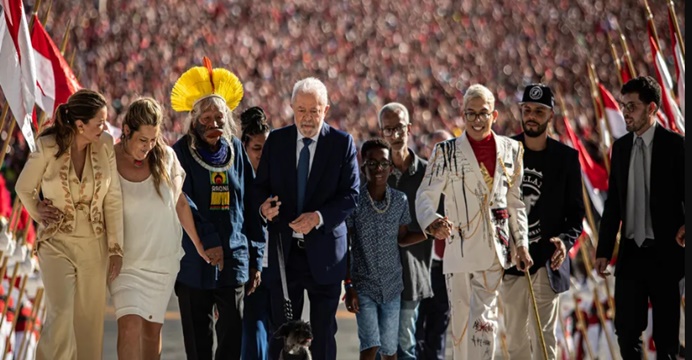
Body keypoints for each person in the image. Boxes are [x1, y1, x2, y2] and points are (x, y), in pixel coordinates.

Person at [415, 84, 533, 360]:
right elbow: (426, 195)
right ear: (463, 116)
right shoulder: (445, 152)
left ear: (494, 115)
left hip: (494, 251)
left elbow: (515, 203)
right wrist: (432, 222)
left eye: (483, 114)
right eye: (471, 114)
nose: (477, 120)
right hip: (458, 251)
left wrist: (522, 244)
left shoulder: (513, 150)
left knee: (485, 324)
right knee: (460, 327)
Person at [255, 77, 359, 360]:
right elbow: (260, 187)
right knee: (283, 333)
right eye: (301, 109)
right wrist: (263, 208)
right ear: (291, 107)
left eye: (314, 110)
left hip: (325, 254)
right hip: (284, 255)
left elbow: (351, 195)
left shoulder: (342, 143)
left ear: (326, 109)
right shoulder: (276, 141)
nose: (307, 117)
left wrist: (319, 217)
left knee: (323, 333)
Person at [16, 89, 123, 360]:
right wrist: (38, 211)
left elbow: (112, 198)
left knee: (89, 323)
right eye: (99, 122)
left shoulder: (106, 144)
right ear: (80, 125)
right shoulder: (48, 145)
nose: (104, 127)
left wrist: (115, 248)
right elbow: (24, 187)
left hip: (94, 246)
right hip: (56, 242)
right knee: (61, 313)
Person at [170, 58, 264, 360]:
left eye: (219, 117)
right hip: (195, 262)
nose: (213, 123)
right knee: (198, 346)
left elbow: (250, 205)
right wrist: (208, 241)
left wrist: (256, 258)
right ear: (193, 121)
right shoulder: (179, 152)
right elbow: (183, 200)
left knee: (232, 340)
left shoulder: (237, 149)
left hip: (234, 260)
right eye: (206, 117)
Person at [109, 98, 210, 360]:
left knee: (152, 333)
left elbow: (181, 204)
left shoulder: (166, 157)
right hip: (126, 261)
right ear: (127, 130)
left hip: (162, 262)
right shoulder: (107, 157)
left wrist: (199, 245)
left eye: (153, 139)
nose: (148, 146)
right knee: (129, 325)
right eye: (143, 140)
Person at [595, 76, 685, 359]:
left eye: (632, 106)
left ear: (652, 108)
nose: (626, 112)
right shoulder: (620, 148)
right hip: (630, 256)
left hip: (666, 255)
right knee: (626, 332)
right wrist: (604, 250)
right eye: (624, 106)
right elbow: (613, 206)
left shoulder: (676, 145)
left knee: (666, 339)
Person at [500, 84, 584, 359]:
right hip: (512, 264)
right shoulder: (504, 152)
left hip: (548, 263)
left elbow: (575, 216)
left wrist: (564, 242)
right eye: (527, 110)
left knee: (544, 339)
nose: (531, 116)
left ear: (550, 115)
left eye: (538, 111)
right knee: (514, 342)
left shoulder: (567, 158)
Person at [345, 139, 427, 360]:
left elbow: (402, 238)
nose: (378, 168)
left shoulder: (400, 200)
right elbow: (347, 246)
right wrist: (349, 285)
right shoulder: (354, 202)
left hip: (392, 286)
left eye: (383, 163)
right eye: (372, 164)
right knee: (370, 346)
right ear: (363, 167)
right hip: (363, 284)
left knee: (390, 352)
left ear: (391, 167)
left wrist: (428, 233)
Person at [376, 102, 433, 360]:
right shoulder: (373, 174)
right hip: (378, 277)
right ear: (381, 133)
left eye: (399, 128)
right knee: (377, 347)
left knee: (405, 346)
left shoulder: (428, 172)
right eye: (388, 130)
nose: (394, 135)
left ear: (409, 128)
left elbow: (436, 221)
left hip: (412, 273)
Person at [415, 129, 453, 360]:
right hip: (421, 265)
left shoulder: (460, 182)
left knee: (438, 330)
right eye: (437, 148)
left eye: (446, 147)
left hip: (446, 267)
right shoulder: (421, 181)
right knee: (414, 329)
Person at [239, 106, 271, 360]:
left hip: (280, 269)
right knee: (253, 336)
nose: (262, 156)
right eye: (256, 149)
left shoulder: (282, 178)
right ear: (244, 148)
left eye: (266, 149)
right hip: (248, 268)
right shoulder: (237, 181)